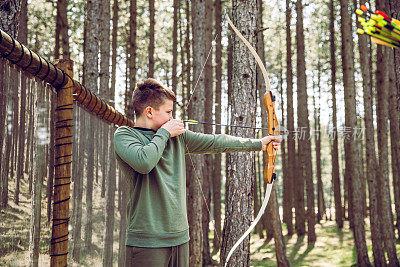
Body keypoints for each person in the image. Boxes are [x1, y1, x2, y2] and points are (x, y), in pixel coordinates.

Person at [114, 78, 281, 267]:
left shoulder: (177, 137)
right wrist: (164, 134)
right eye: (168, 112)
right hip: (147, 241)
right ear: (149, 112)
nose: (172, 118)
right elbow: (144, 162)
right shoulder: (125, 135)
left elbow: (215, 142)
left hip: (180, 238)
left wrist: (259, 144)